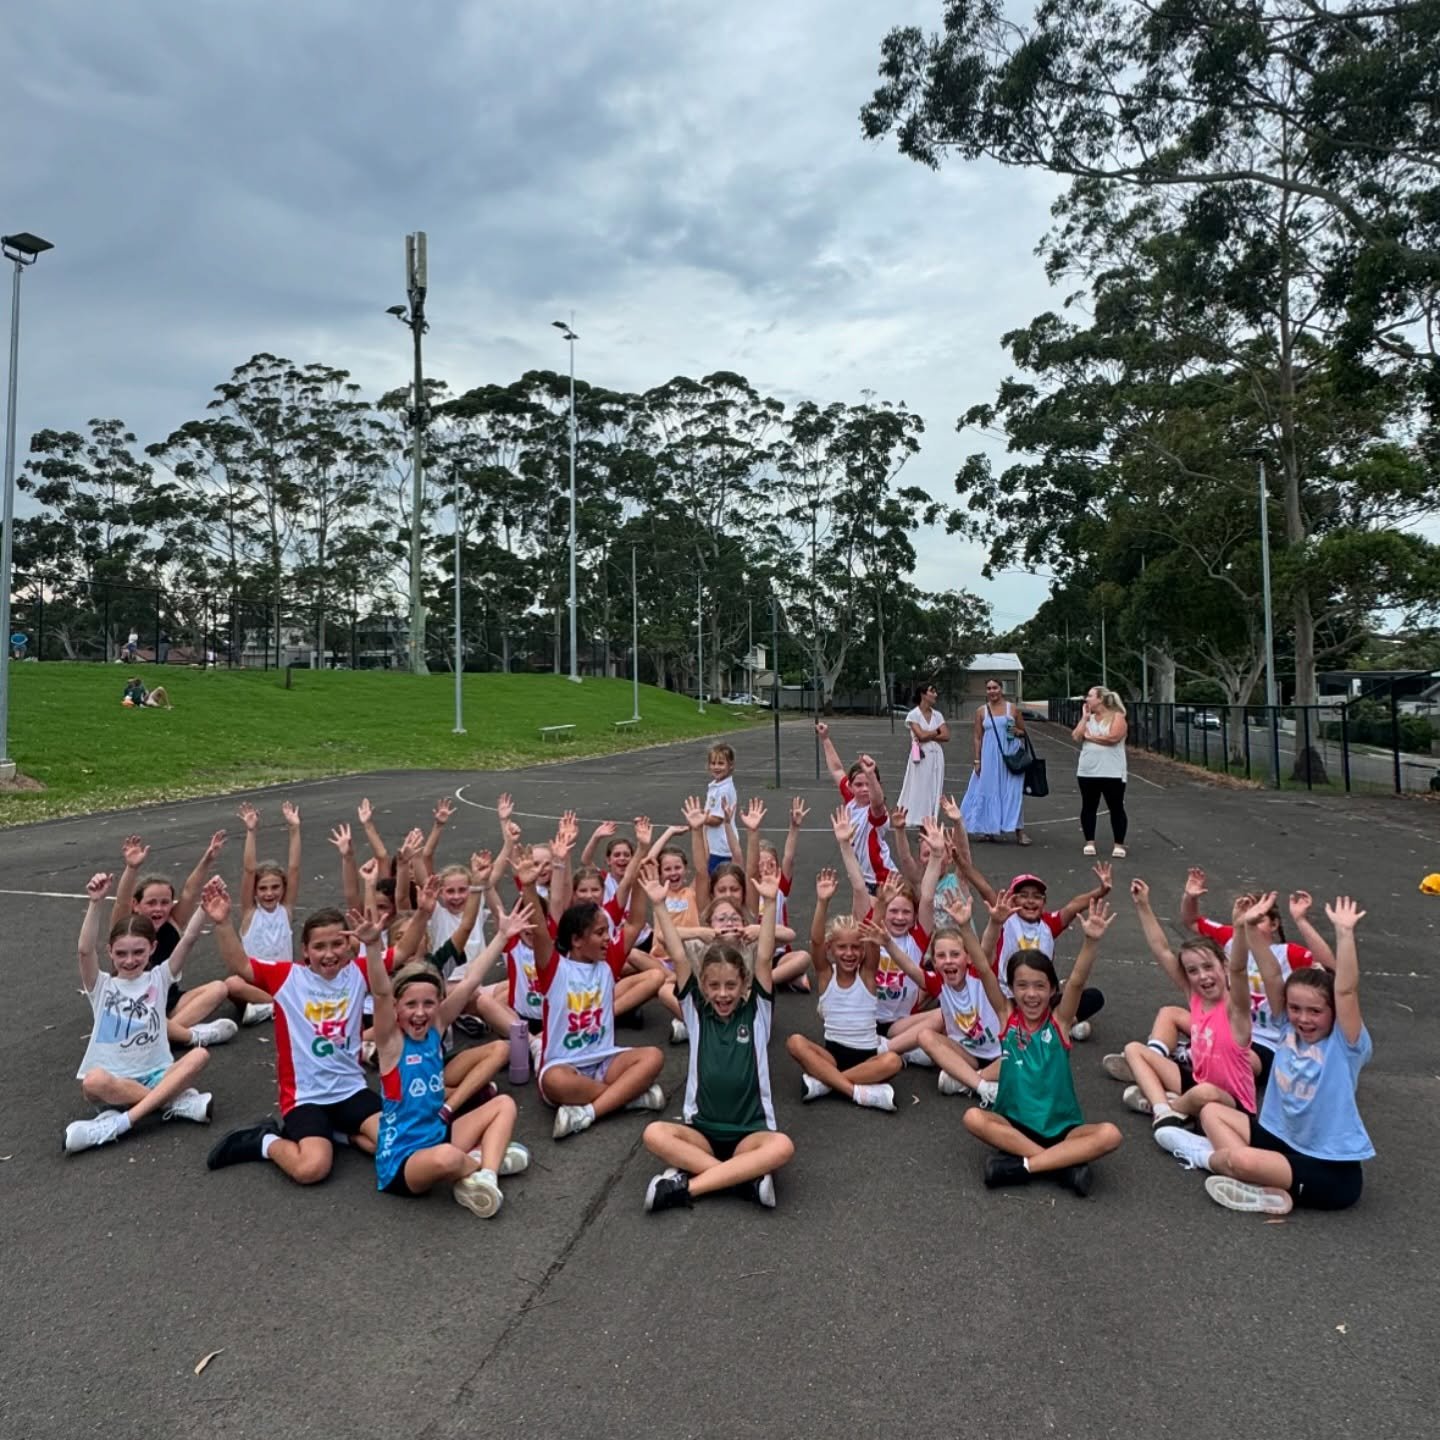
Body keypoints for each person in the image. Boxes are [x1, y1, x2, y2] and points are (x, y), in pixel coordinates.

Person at [1151, 895, 1375, 1216]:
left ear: (1333, 1013)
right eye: (1296, 1009)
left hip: (1330, 1171)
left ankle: (1204, 1154)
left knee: (1240, 1159)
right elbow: (1271, 974)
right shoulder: (1286, 1027)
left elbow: (1346, 990)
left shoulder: (1345, 1043)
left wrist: (1344, 933)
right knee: (1212, 1112)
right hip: (1277, 1139)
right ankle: (1263, 1189)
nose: (1303, 1018)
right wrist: (1251, 927)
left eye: (1315, 1011)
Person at [639, 865, 796, 1211]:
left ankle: (685, 1187)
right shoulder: (696, 1010)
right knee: (654, 1134)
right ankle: (744, 1180)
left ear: (743, 986)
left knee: (782, 1146)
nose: (722, 994)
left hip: (750, 1132)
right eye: (714, 986)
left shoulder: (756, 1010)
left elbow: (766, 957)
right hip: (702, 1132)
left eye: (730, 986)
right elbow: (679, 956)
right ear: (703, 987)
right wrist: (660, 906)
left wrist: (769, 903)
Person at [367, 897, 534, 1217]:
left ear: (439, 1004)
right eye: (410, 1005)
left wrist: (502, 935)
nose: (420, 1013)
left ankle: (485, 1175)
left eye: (429, 1004)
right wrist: (374, 946)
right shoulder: (391, 1043)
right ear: (396, 1009)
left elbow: (471, 980)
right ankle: (486, 1161)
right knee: (446, 1158)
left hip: (440, 1132)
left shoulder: (437, 1026)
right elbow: (380, 992)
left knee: (504, 1104)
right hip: (405, 1162)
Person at [204, 885, 383, 1183]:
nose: (329, 954)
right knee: (311, 1170)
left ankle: (339, 1135)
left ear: (351, 946)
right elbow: (241, 966)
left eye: (337, 944)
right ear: (305, 951)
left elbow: (403, 952)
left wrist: (421, 915)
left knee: (394, 1146)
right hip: (306, 1097)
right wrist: (223, 923)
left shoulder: (360, 971)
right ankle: (265, 1141)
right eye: (319, 947)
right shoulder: (289, 977)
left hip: (351, 1089)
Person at [962, 898, 1123, 1194]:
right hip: (1013, 1124)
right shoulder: (1006, 1017)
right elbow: (984, 970)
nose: (1031, 994)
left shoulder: (1059, 1023)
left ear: (1052, 990)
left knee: (1110, 1134)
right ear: (1011, 989)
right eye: (1022, 986)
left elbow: (1076, 981)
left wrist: (1091, 941)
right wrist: (964, 926)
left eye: (1039, 986)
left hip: (1063, 1129)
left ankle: (1024, 1165)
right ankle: (1061, 1165)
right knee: (973, 1117)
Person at [63, 872, 217, 1154]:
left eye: (138, 952)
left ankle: (118, 1123)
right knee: (93, 1081)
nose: (130, 960)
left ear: (152, 949)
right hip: (115, 1083)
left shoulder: (159, 977)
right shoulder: (102, 986)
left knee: (199, 1054)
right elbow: (85, 951)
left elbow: (190, 939)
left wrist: (203, 910)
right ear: (110, 952)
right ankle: (172, 1103)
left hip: (158, 1073)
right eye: (121, 954)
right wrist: (95, 903)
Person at [1121, 879, 1259, 1133]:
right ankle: (1164, 1110)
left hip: (1232, 1103)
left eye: (1208, 967)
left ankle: (1167, 1105)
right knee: (1133, 1050)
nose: (1203, 976)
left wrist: (1239, 928)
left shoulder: (1235, 1007)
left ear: (1224, 966)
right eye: (1193, 971)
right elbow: (1162, 950)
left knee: (1203, 1093)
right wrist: (1143, 905)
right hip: (1197, 1082)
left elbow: (1239, 970)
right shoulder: (1195, 996)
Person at [1179, 868, 1332, 1090]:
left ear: (1274, 924)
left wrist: (1301, 920)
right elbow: (1192, 921)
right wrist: (1190, 896)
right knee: (1170, 1015)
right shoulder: (1233, 938)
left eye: (1258, 918)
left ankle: (1183, 1073)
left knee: (1234, 1058)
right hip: (1230, 1026)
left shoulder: (1287, 953)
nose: (1250, 921)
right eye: (1247, 916)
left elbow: (1330, 967)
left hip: (1267, 1040)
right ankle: (1162, 1056)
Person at [110, 830, 272, 1038]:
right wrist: (132, 868)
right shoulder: (126, 927)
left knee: (219, 988)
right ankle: (171, 1034)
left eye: (165, 902)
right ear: (136, 905)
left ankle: (160, 1035)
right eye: (151, 903)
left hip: (170, 1002)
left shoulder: (172, 923)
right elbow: (121, 902)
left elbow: (189, 891)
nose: (159, 909)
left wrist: (207, 859)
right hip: (135, 1007)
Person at [536, 893, 667, 1141]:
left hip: (605, 1062)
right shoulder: (555, 969)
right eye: (599, 933)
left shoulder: (608, 963)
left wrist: (640, 861)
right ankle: (629, 1096)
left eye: (607, 931)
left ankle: (589, 1112)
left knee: (653, 1057)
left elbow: (634, 924)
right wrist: (530, 886)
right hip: (564, 1065)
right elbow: (540, 931)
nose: (608, 938)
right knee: (554, 1081)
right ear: (576, 940)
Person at [783, 867, 902, 1111]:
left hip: (867, 1057)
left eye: (855, 948)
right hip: (832, 1056)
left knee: (893, 1061)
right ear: (831, 949)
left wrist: (881, 904)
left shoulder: (867, 976)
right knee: (795, 1042)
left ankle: (825, 1083)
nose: (849, 953)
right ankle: (857, 1091)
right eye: (842, 947)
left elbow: (871, 937)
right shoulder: (827, 975)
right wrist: (822, 901)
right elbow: (815, 941)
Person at [742, 795, 812, 991]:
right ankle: (786, 980)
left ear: (778, 867)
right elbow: (745, 864)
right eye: (760, 865)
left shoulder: (780, 887)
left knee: (804, 958)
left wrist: (794, 828)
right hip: (755, 954)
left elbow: (789, 857)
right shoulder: (750, 889)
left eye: (771, 864)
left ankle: (764, 981)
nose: (765, 869)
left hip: (779, 955)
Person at [817, 722, 894, 890]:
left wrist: (870, 774)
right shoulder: (851, 800)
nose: (864, 788)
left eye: (869, 784)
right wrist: (825, 739)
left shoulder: (875, 812)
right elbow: (837, 770)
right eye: (859, 784)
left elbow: (878, 802)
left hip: (882, 880)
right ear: (850, 787)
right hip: (861, 878)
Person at [960, 677, 1029, 845]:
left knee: (1012, 792)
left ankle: (1019, 831)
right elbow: (977, 737)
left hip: (1010, 755)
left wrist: (1017, 731)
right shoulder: (981, 711)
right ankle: (987, 828)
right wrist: (977, 760)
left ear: (1001, 689)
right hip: (989, 756)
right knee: (988, 790)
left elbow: (1023, 731)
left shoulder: (1011, 709)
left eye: (995, 688)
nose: (992, 691)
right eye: (989, 688)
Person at [237, 800, 302, 961]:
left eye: (275, 887)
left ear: (283, 888)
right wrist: (251, 832)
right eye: (262, 888)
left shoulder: (285, 910)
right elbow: (249, 870)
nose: (269, 893)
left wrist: (294, 828)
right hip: (255, 984)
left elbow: (294, 868)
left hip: (283, 983)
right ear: (254, 891)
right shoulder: (250, 913)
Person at [1073, 685, 1129, 857]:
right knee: (1089, 806)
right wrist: (1084, 718)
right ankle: (1090, 842)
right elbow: (1076, 736)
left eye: (1090, 696)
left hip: (1112, 771)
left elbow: (1113, 738)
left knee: (1116, 807)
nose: (1086, 699)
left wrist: (1090, 737)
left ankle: (1118, 844)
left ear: (1100, 699)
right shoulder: (1088, 718)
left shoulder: (1117, 717)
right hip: (1088, 770)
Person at [897, 681, 948, 823]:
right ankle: (919, 820)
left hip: (936, 755)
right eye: (932, 691)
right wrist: (937, 731)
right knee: (920, 787)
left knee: (934, 788)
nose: (935, 694)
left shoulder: (937, 715)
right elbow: (921, 736)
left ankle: (930, 820)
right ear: (923, 694)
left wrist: (929, 734)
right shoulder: (913, 714)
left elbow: (946, 735)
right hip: (920, 754)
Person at [703, 743, 739, 876]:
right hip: (715, 845)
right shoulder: (716, 786)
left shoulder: (724, 789)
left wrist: (699, 819)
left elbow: (717, 819)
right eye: (713, 763)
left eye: (721, 763)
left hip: (721, 847)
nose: (716, 767)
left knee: (717, 879)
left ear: (730, 765)